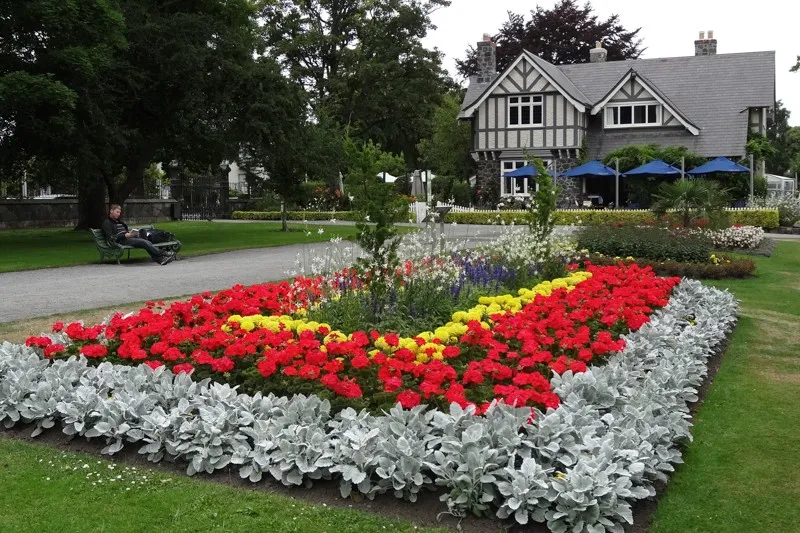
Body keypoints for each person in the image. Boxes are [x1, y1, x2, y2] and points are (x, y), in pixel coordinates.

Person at [101, 204, 175, 265]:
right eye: (117, 212)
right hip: (122, 241)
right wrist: (125, 236)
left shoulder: (119, 222)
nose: (118, 214)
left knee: (146, 241)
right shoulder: (107, 223)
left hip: (128, 238)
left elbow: (126, 232)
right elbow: (111, 238)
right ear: (111, 211)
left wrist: (132, 234)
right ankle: (163, 253)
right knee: (144, 242)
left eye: (119, 212)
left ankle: (160, 259)